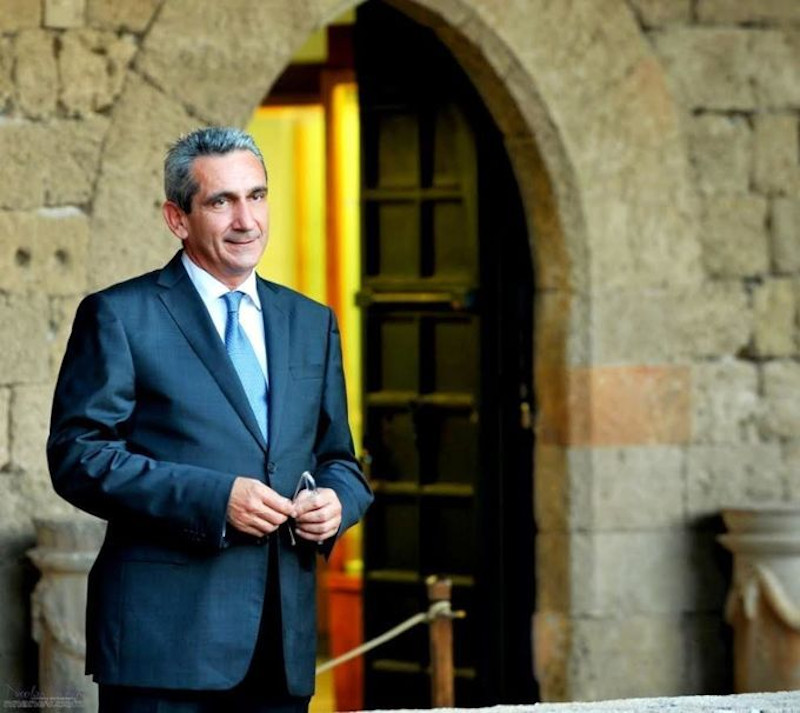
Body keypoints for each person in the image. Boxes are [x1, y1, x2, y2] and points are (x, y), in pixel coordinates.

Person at [47, 126, 373, 713]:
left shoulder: (311, 321)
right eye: (221, 201)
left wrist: (336, 503)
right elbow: (79, 457)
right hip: (163, 647)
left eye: (257, 196)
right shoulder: (119, 315)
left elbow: (338, 459)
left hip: (281, 651)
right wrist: (215, 500)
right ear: (178, 218)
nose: (246, 220)